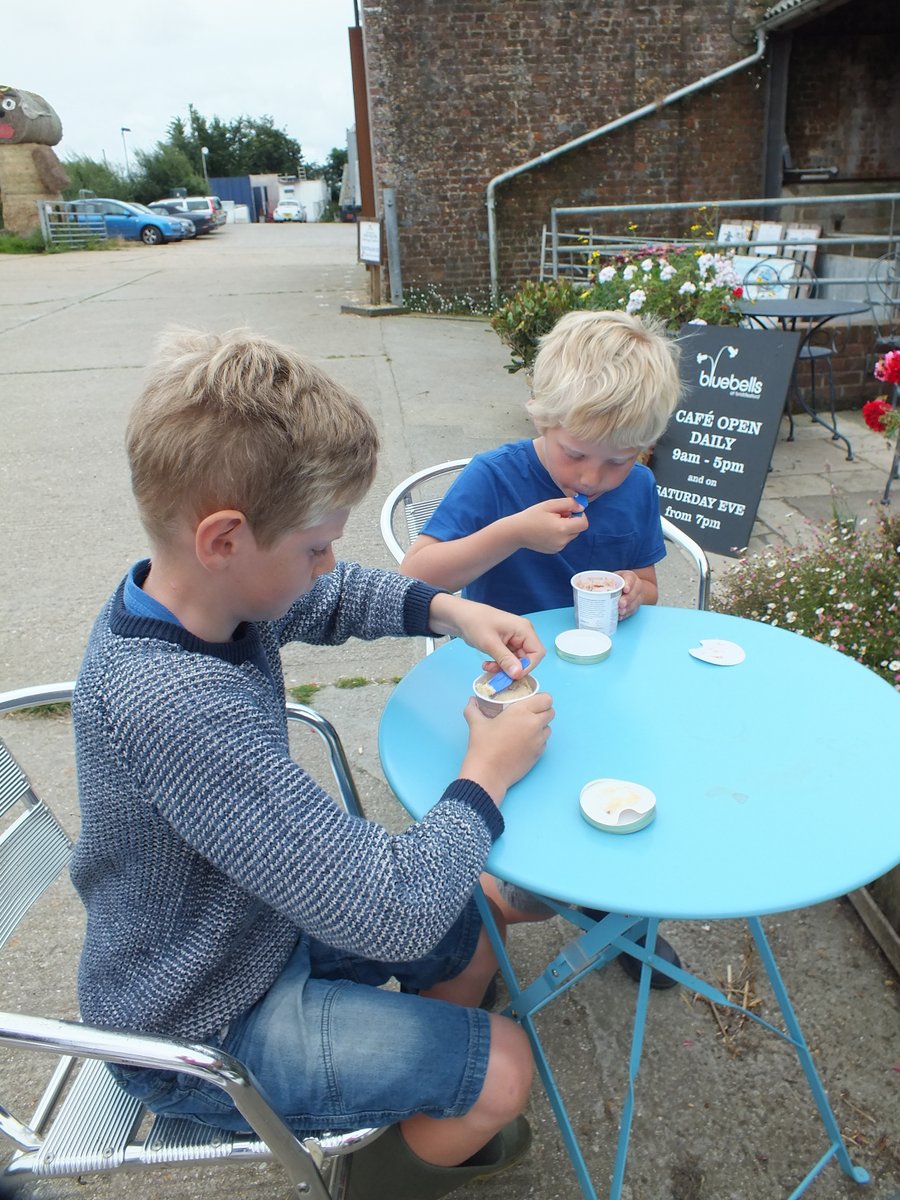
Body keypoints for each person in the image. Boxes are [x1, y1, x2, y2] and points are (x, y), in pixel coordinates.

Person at [70, 328, 555, 1200]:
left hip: (248, 927)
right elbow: (394, 914)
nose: (328, 565)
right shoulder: (176, 705)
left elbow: (328, 597)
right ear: (224, 538)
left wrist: (449, 610)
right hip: (199, 1019)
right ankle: (386, 1163)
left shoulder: (202, 598)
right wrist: (488, 769)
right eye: (316, 545)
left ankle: (424, 1091)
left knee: (473, 922)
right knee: (508, 1068)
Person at [400, 309, 684, 988]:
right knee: (530, 802)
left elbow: (648, 581)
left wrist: (633, 592)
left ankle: (617, 913)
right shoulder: (496, 478)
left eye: (619, 459)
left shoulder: (637, 488)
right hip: (507, 676)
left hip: (605, 681)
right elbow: (415, 574)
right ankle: (494, 902)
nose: (593, 477)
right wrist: (513, 533)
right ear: (543, 419)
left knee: (633, 782)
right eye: (575, 453)